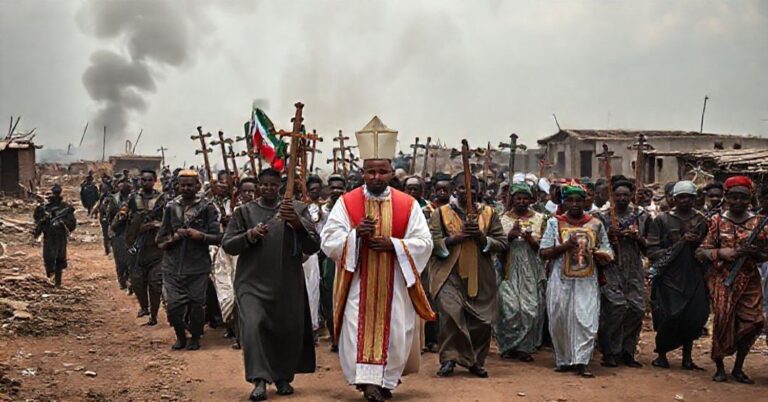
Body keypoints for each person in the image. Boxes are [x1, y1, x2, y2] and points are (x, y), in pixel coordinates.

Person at [320, 129, 435, 402]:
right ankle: (367, 383)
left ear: (391, 173)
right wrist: (355, 235)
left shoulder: (408, 204)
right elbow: (329, 240)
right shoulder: (346, 203)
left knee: (396, 331)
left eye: (382, 172)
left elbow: (424, 241)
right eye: (371, 172)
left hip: (393, 281)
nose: (376, 177)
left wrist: (395, 245)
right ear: (363, 173)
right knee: (355, 328)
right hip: (358, 281)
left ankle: (385, 382)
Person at [222, 168, 319, 401]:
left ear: (280, 185)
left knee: (285, 329)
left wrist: (297, 223)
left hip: (287, 281)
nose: (267, 189)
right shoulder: (244, 212)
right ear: (257, 185)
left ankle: (283, 376)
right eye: (263, 185)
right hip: (252, 282)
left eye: (272, 185)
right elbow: (228, 244)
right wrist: (250, 235)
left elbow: (313, 246)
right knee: (254, 327)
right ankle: (259, 379)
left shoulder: (296, 209)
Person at [429, 172, 508, 378]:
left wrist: (481, 238)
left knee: (482, 321)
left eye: (472, 188)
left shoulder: (489, 213)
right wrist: (456, 238)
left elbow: (501, 243)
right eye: (463, 188)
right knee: (451, 314)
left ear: (479, 190)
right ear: (455, 190)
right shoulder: (441, 213)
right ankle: (449, 359)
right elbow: (432, 243)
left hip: (481, 274)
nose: (468, 192)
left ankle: (474, 361)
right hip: (448, 273)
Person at [697, 176, 768, 383]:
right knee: (722, 321)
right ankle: (719, 366)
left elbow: (765, 254)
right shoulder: (716, 221)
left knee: (755, 322)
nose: (738, 202)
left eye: (743, 198)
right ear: (726, 198)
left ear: (750, 199)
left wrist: (757, 254)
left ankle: (738, 367)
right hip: (723, 278)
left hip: (750, 279)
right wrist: (722, 253)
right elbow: (701, 252)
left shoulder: (759, 223)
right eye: (734, 197)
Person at [540, 183, 613, 378]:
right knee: (560, 319)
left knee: (586, 320)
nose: (574, 204)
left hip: (586, 280)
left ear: (585, 202)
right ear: (563, 202)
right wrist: (564, 247)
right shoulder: (554, 223)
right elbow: (544, 252)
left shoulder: (595, 224)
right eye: (570, 200)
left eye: (578, 200)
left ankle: (582, 360)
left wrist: (601, 254)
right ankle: (564, 360)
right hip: (560, 279)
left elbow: (607, 248)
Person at [646, 180, 710, 370]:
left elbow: (709, 247)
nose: (685, 201)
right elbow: (652, 251)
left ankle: (687, 358)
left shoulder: (702, 221)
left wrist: (697, 245)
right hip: (669, 276)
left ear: (695, 199)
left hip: (694, 274)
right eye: (681, 197)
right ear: (674, 198)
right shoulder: (662, 220)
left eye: (688, 197)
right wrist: (679, 244)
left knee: (692, 316)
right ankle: (662, 354)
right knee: (668, 315)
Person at [156, 170, 221, 351]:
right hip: (172, 265)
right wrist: (174, 238)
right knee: (174, 306)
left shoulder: (207, 208)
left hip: (198, 266)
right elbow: (160, 239)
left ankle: (195, 337)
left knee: (196, 306)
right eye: (182, 185)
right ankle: (180, 336)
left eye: (190, 185)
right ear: (177, 186)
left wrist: (200, 236)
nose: (186, 188)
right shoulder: (170, 207)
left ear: (198, 186)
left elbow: (218, 237)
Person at [597, 179, 646, 368]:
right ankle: (609, 351)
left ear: (631, 195)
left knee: (637, 308)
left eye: (626, 195)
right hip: (611, 267)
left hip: (633, 267)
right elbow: (598, 244)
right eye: (618, 195)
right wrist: (610, 235)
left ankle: (628, 350)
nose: (622, 198)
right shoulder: (602, 217)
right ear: (612, 196)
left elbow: (648, 246)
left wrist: (636, 237)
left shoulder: (641, 216)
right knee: (616, 307)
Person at [496, 183, 547, 362]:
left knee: (529, 309)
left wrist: (529, 239)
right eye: (518, 198)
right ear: (512, 199)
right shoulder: (501, 218)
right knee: (510, 308)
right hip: (508, 268)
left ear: (531, 199)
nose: (522, 201)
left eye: (525, 198)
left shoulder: (540, 218)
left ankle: (525, 348)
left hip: (531, 269)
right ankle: (509, 346)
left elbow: (544, 248)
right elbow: (496, 246)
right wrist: (509, 237)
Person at [122, 170, 168, 325]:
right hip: (138, 246)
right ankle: (144, 307)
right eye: (144, 179)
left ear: (155, 180)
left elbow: (170, 220)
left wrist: (156, 225)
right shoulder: (133, 198)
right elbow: (124, 217)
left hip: (156, 247)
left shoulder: (162, 199)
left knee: (155, 283)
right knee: (137, 281)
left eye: (149, 180)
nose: (146, 182)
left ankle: (154, 316)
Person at [319, 174, 347, 353]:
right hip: (327, 259)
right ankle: (335, 337)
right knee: (329, 298)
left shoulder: (350, 208)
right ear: (328, 189)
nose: (336, 191)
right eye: (333, 188)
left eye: (340, 188)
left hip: (347, 257)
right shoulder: (320, 211)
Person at [33, 184, 77, 287]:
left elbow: (72, 223)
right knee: (48, 258)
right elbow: (37, 219)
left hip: (60, 236)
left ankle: (57, 282)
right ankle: (50, 276)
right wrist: (43, 221)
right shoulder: (44, 208)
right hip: (49, 236)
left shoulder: (66, 208)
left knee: (59, 259)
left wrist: (62, 223)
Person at [303, 174, 325, 338]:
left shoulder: (324, 209)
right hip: (301, 254)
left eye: (317, 189)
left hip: (316, 253)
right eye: (311, 190)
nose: (314, 192)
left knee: (314, 288)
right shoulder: (300, 207)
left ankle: (314, 325)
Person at [106, 176, 133, 290]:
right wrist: (118, 218)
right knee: (119, 259)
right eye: (122, 182)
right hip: (118, 233)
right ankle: (122, 281)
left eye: (127, 182)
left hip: (132, 232)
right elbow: (109, 215)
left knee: (132, 259)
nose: (125, 185)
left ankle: (131, 282)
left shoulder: (136, 198)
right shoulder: (114, 199)